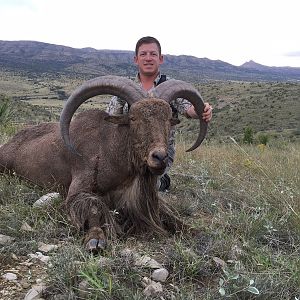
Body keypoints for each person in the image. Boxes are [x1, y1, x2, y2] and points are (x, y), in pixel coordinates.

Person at [107, 36, 213, 191]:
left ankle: (160, 180)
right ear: (136, 59)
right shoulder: (125, 88)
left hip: (160, 153)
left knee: (144, 188)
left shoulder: (170, 87)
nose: (148, 58)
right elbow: (110, 119)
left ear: (160, 58)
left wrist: (201, 110)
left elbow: (189, 110)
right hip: (127, 153)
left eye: (153, 54)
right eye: (143, 54)